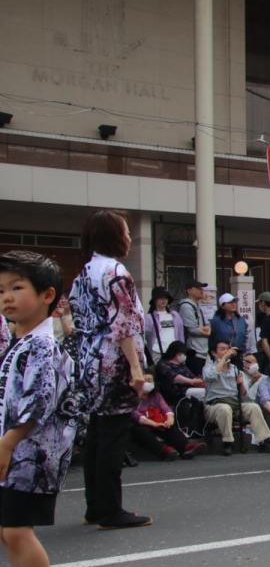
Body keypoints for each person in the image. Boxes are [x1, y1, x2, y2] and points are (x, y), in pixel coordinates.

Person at [0, 251, 76, 567]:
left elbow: (39, 402)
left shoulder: (42, 346)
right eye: (2, 290)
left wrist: (8, 442)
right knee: (7, 529)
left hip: (32, 454)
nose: (7, 298)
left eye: (17, 288)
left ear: (47, 295)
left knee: (16, 528)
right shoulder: (20, 342)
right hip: (14, 451)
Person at [68, 209, 152, 530]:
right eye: (126, 231)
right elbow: (125, 324)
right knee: (114, 435)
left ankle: (95, 505)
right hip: (113, 360)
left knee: (97, 434)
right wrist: (135, 367)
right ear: (113, 236)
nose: (129, 237)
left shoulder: (84, 273)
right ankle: (111, 510)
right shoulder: (116, 272)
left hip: (89, 359)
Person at [202, 340, 270, 456]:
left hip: (235, 404)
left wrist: (241, 384)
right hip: (214, 405)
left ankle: (265, 440)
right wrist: (224, 358)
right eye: (222, 349)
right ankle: (227, 443)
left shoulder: (235, 369)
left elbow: (244, 394)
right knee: (224, 408)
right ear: (213, 353)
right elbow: (212, 375)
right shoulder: (208, 367)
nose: (227, 351)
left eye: (228, 349)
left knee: (253, 407)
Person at [131, 373, 204, 460]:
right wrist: (153, 424)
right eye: (146, 380)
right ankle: (164, 451)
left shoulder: (156, 396)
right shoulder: (131, 397)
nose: (148, 383)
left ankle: (186, 447)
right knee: (140, 431)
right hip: (141, 424)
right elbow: (134, 414)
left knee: (169, 426)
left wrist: (170, 419)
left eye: (150, 381)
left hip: (156, 422)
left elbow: (166, 409)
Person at [177, 280, 211, 375]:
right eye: (198, 288)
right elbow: (192, 329)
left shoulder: (196, 306)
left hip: (202, 350)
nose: (201, 290)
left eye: (201, 288)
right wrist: (208, 332)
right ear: (189, 290)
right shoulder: (186, 306)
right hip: (194, 351)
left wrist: (205, 329)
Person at [142, 287, 183, 366]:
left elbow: (180, 334)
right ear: (155, 300)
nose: (163, 300)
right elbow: (145, 337)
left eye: (166, 298)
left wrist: (182, 350)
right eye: (160, 298)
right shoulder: (149, 317)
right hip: (157, 352)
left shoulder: (175, 315)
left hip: (174, 353)